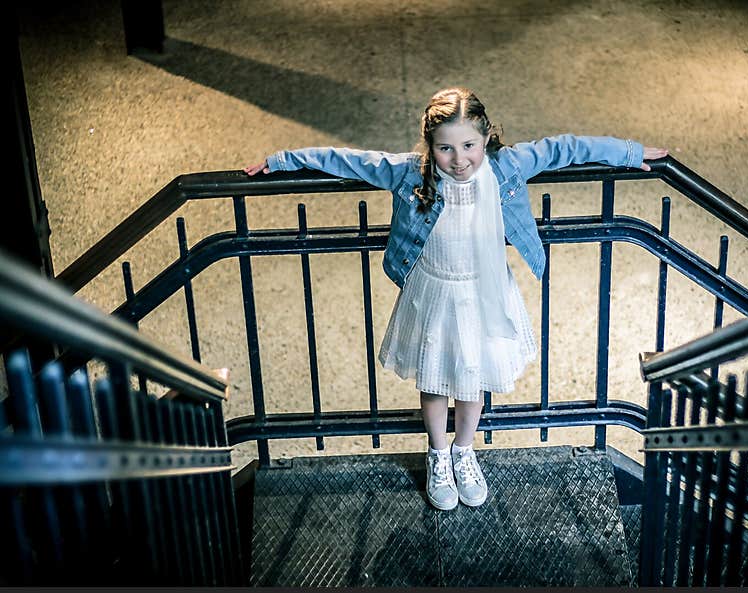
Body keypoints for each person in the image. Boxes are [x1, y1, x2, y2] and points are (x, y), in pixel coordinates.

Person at [245, 87, 667, 511]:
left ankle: (465, 451)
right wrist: (282, 160)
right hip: (435, 291)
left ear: (487, 138)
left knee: (473, 378)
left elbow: (565, 149)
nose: (459, 159)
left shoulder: (506, 166)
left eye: (469, 145)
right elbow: (347, 159)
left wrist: (628, 152)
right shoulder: (412, 173)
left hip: (483, 291)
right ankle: (438, 453)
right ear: (429, 146)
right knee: (435, 378)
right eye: (446, 148)